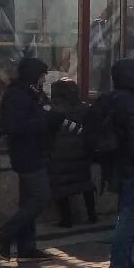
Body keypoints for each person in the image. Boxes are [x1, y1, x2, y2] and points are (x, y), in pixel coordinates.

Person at [0, 58, 71, 262]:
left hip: (37, 150)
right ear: (33, 75)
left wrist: (53, 119)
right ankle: (4, 234)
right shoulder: (17, 95)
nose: (44, 79)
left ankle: (26, 247)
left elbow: (43, 116)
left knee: (28, 200)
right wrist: (45, 120)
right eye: (42, 75)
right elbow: (15, 126)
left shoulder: (33, 93)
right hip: (26, 153)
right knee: (40, 197)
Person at [96, 59, 134, 268]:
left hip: (113, 163)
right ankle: (119, 264)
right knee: (129, 215)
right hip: (131, 166)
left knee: (126, 212)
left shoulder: (108, 99)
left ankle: (125, 258)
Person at [46, 78, 96, 227]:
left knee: (61, 187)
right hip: (81, 153)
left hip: (60, 154)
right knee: (85, 183)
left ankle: (66, 219)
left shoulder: (55, 112)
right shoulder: (84, 108)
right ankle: (92, 215)